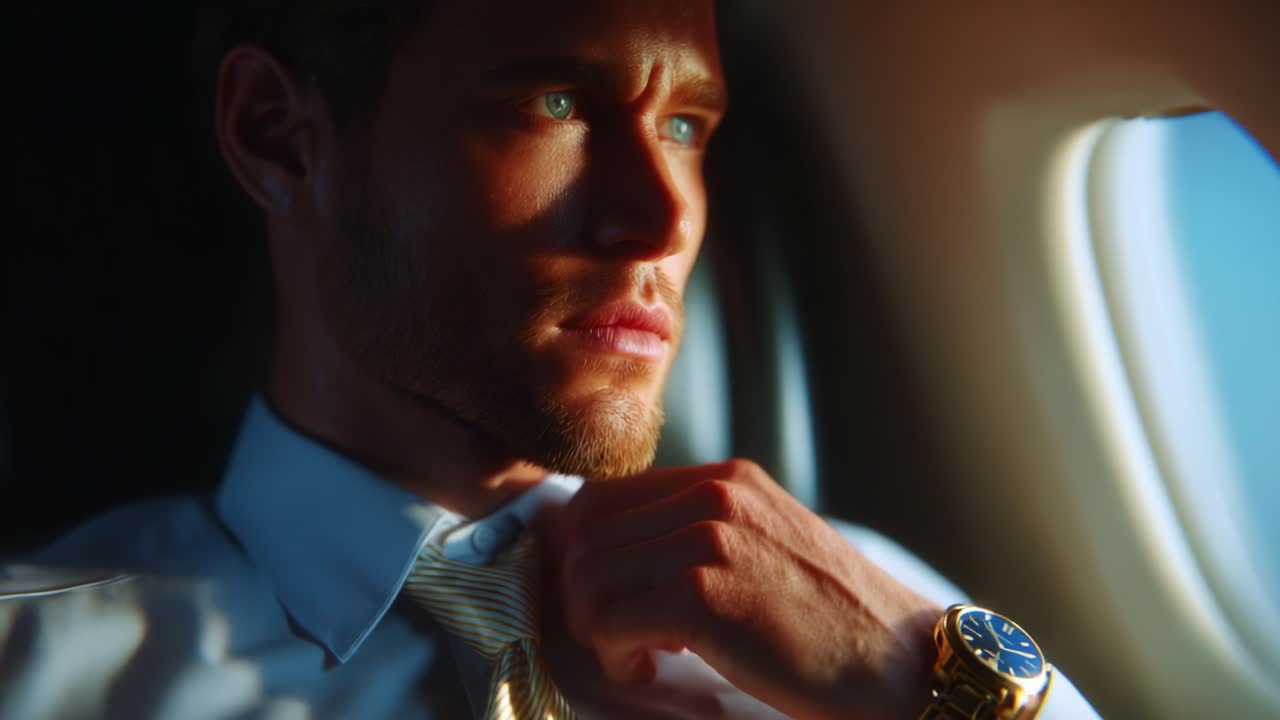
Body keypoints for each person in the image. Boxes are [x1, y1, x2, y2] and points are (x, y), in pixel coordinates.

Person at [0, 1, 1101, 718]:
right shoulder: (37, 666)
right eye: (559, 102)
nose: (660, 220)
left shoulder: (873, 620)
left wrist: (913, 680)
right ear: (280, 133)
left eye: (684, 127)